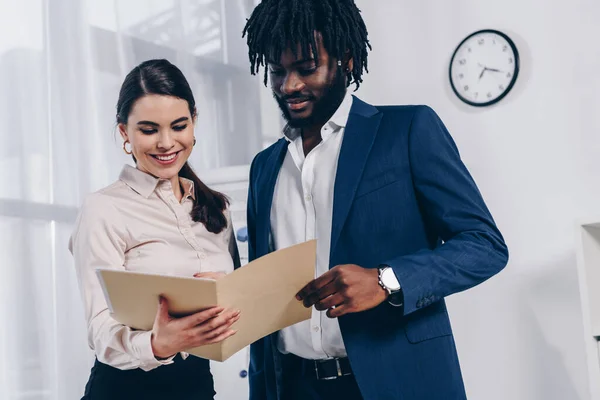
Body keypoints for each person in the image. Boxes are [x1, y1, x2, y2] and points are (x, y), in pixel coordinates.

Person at [242, 1, 509, 399]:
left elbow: (484, 246)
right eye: (278, 71)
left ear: (346, 60)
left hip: (397, 382)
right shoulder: (264, 167)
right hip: (293, 387)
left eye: (306, 67)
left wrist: (386, 280)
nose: (289, 86)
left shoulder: (407, 130)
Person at [69, 59, 241, 400]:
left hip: (196, 385)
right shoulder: (103, 208)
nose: (166, 143)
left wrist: (234, 296)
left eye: (179, 126)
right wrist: (156, 344)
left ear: (194, 121)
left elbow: (233, 305)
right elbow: (100, 329)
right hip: (125, 389)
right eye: (149, 130)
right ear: (124, 133)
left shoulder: (216, 208)